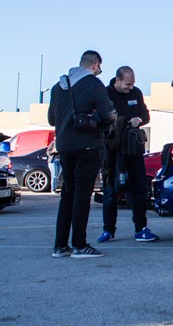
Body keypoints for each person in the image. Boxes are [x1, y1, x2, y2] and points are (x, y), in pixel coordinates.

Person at [48, 50, 117, 258]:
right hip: (87, 146)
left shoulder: (57, 87)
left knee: (67, 195)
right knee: (82, 196)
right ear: (95, 65)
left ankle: (60, 246)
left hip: (65, 147)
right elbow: (109, 115)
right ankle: (79, 244)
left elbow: (52, 119)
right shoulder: (95, 85)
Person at [98, 66, 159, 243]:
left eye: (133, 84)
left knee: (139, 189)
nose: (130, 87)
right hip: (113, 150)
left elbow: (145, 115)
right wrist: (123, 122)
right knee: (111, 190)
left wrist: (139, 120)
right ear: (117, 80)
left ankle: (140, 229)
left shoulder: (136, 93)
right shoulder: (105, 94)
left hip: (134, 149)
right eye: (127, 84)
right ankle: (108, 230)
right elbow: (102, 119)